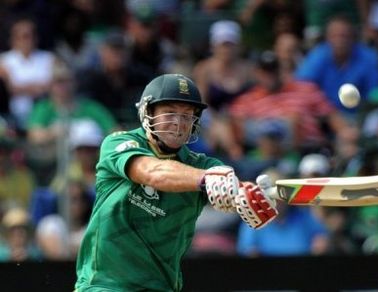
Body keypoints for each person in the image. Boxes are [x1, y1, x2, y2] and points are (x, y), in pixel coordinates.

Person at [75, 73, 278, 291]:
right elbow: (152, 172)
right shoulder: (119, 142)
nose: (179, 124)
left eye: (187, 115)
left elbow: (228, 189)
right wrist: (205, 179)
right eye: (169, 112)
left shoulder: (206, 164)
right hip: (104, 285)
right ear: (147, 111)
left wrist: (248, 198)